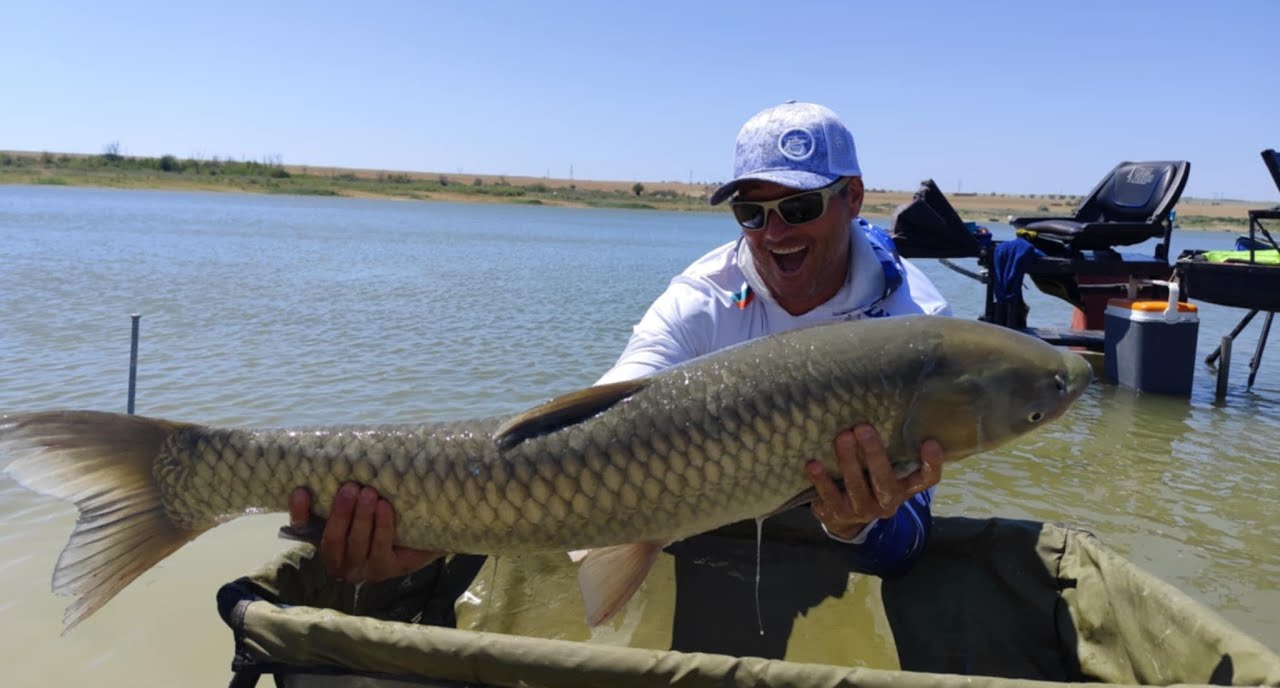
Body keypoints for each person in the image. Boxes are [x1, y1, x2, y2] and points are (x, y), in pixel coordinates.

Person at [289, 99, 950, 584]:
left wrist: (854, 521)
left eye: (799, 208)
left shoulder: (916, 320)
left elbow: (909, 542)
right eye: (752, 211)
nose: (773, 233)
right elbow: (594, 432)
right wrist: (435, 529)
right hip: (680, 525)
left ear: (855, 198)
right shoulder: (704, 295)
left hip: (840, 549)